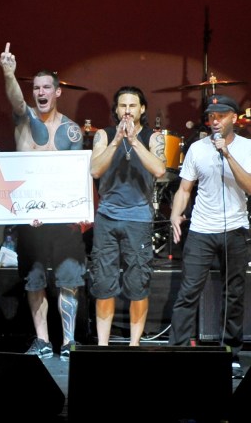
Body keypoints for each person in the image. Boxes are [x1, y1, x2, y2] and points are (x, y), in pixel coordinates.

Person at [0, 42, 87, 361]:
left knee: (68, 278)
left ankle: (67, 341)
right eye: (35, 87)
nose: (40, 92)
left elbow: (74, 178)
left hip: (62, 221)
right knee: (34, 278)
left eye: (46, 87)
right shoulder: (24, 122)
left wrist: (71, 211)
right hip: (31, 219)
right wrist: (9, 73)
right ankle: (42, 340)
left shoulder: (71, 131)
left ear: (57, 91)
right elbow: (16, 99)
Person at [168, 94, 251, 379]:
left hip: (234, 230)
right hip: (200, 230)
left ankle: (230, 353)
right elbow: (185, 189)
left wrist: (227, 155)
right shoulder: (197, 148)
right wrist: (175, 213)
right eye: (211, 116)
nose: (215, 121)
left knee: (233, 295)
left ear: (234, 117)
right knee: (188, 292)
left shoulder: (248, 147)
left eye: (221, 115)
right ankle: (177, 352)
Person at [89, 86, 166, 346]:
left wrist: (133, 141)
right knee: (104, 283)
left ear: (142, 109)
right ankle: (102, 345)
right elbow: (96, 171)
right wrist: (117, 141)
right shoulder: (103, 135)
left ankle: (134, 345)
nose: (127, 111)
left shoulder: (153, 138)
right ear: (116, 109)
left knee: (137, 284)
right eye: (123, 106)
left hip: (139, 218)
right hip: (107, 217)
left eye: (132, 106)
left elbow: (158, 169)